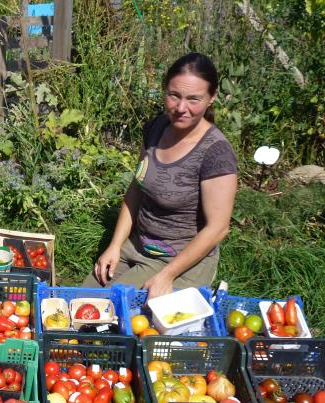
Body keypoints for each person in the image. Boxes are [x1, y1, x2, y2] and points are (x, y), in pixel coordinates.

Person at [83, 52, 238, 299]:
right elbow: (137, 188)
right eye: (174, 95)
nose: (180, 108)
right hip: (137, 244)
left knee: (107, 312)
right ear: (164, 89)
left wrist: (167, 275)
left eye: (194, 99)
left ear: (212, 98)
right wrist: (114, 246)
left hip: (179, 259)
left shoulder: (216, 153)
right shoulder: (156, 128)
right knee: (76, 300)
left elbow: (218, 228)